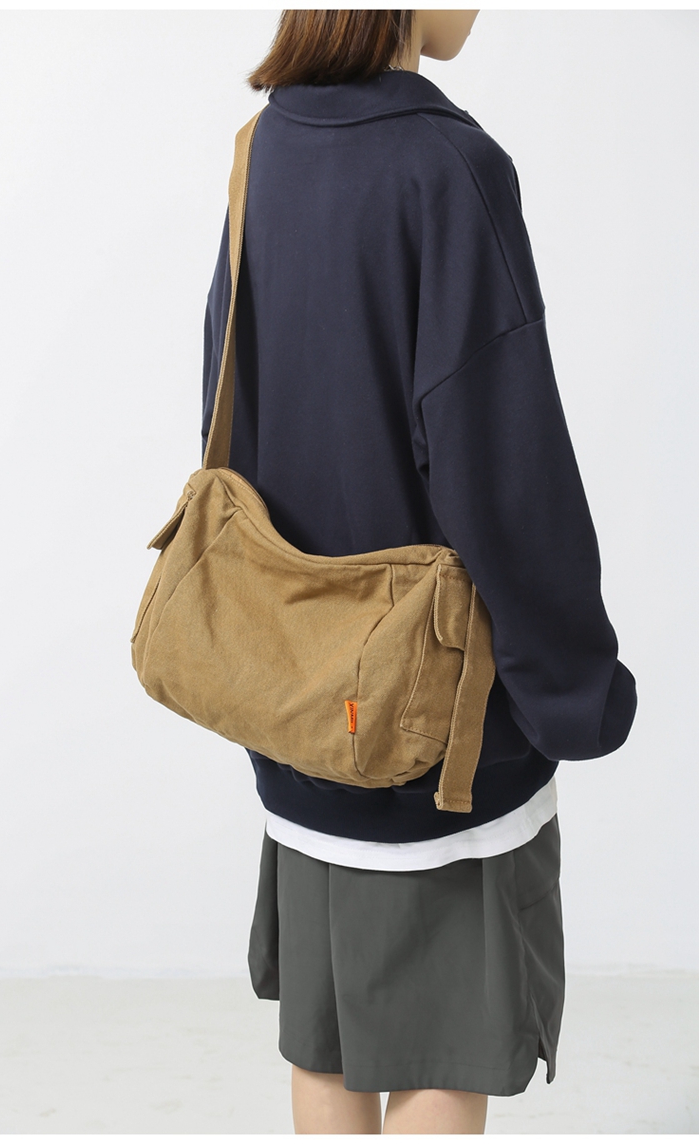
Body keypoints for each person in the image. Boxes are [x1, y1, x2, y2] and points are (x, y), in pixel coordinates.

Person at [201, 10, 637, 1135]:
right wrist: (575, 690)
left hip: (299, 710)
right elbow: (507, 473)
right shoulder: (448, 168)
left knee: (328, 1039)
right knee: (446, 1046)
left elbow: (228, 415)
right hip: (440, 739)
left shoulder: (266, 147)